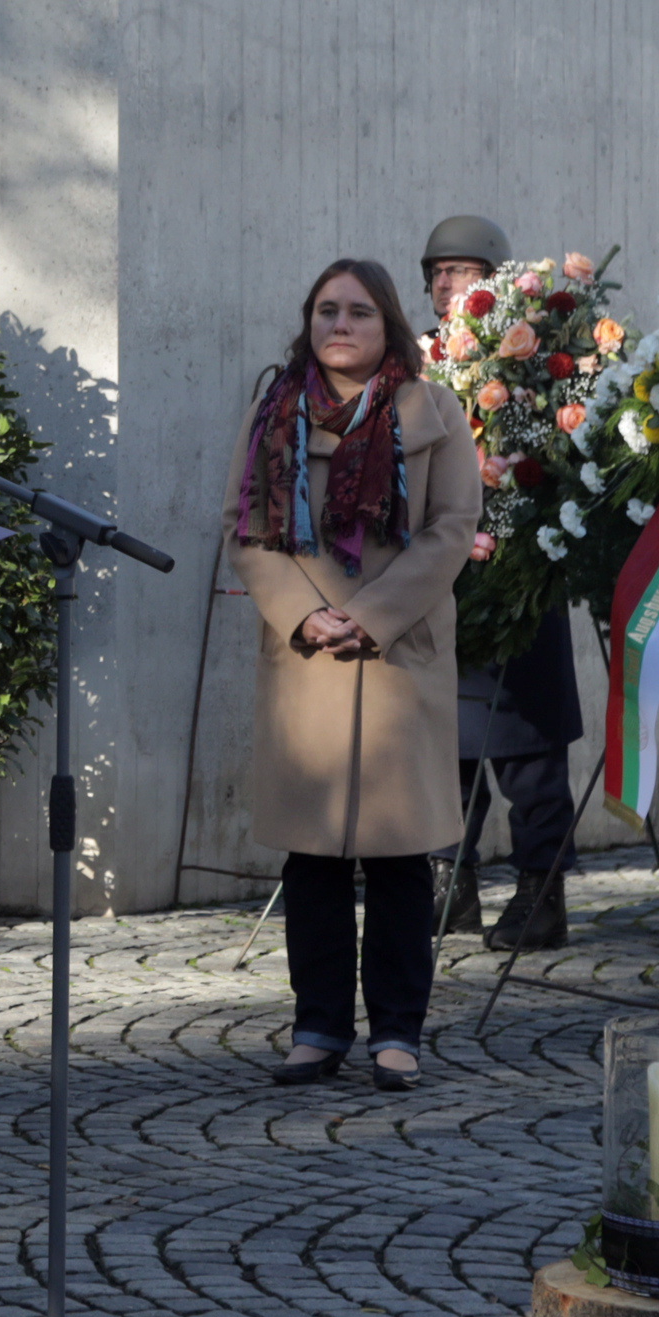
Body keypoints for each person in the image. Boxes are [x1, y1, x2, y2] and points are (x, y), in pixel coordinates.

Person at [234, 257, 480, 1085]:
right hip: (307, 657)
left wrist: (370, 615)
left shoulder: (432, 408)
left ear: (389, 327)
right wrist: (306, 614)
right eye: (326, 310)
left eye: (359, 313)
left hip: (394, 657)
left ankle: (397, 1031)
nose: (339, 325)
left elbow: (453, 528)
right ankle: (319, 1026)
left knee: (401, 859)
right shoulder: (276, 411)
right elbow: (247, 529)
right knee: (312, 859)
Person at [417, 213, 588, 951]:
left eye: (460, 271)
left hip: (519, 584)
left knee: (528, 758)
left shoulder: (538, 365)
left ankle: (540, 894)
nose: (445, 283)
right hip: (441, 586)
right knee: (441, 753)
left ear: (492, 283)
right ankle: (447, 889)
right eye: (436, 273)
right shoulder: (413, 365)